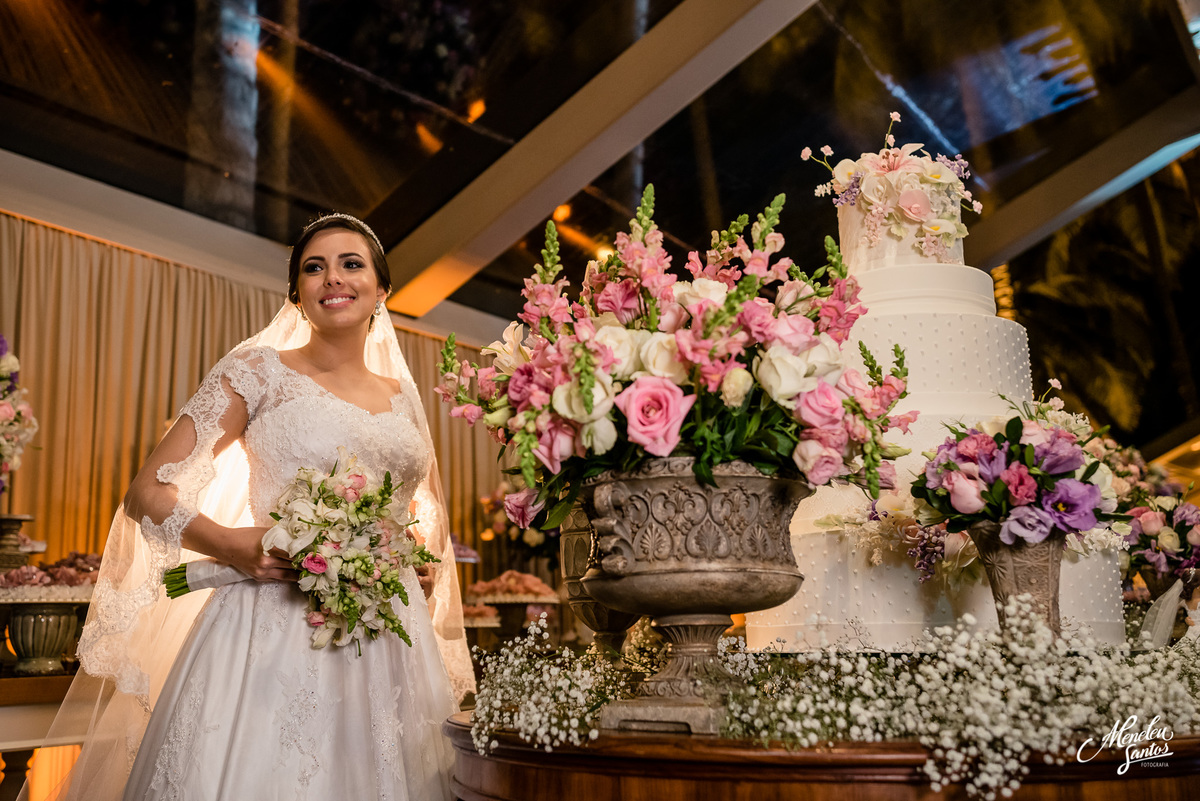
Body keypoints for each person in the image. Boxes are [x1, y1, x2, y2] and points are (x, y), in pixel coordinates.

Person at [27, 214, 474, 801]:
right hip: (271, 626)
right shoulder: (256, 373)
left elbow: (409, 509)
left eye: (350, 264)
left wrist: (410, 555)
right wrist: (236, 544)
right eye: (314, 268)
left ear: (381, 291)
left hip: (390, 634)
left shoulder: (403, 397)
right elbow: (147, 493)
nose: (332, 278)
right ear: (296, 295)